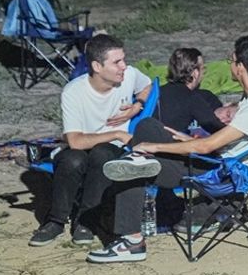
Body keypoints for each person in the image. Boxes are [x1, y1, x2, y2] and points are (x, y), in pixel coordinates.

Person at [101, 35, 248, 261]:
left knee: (137, 163)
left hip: (223, 174)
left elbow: (206, 146)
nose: (229, 65)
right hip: (219, 162)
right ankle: (139, 164)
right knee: (148, 127)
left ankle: (132, 242)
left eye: (231, 61)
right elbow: (226, 142)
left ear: (240, 67)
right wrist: (183, 138)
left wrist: (154, 146)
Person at [28, 34, 154, 247]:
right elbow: (75, 141)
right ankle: (55, 221)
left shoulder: (129, 75)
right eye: (117, 62)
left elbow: (147, 85)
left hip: (109, 149)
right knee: (72, 160)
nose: (124, 66)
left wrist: (137, 105)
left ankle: (86, 221)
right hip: (83, 144)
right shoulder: (74, 92)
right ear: (97, 66)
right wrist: (116, 134)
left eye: (123, 59)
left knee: (102, 154)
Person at [154, 47, 230, 135]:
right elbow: (215, 127)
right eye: (203, 69)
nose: (203, 73)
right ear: (195, 73)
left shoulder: (159, 90)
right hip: (168, 141)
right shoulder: (191, 97)